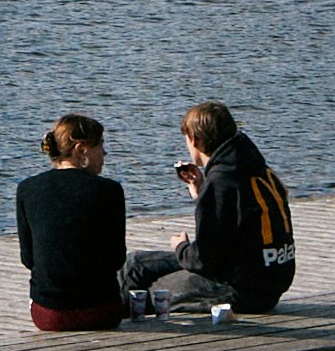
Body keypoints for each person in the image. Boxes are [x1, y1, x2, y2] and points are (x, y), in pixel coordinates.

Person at [120, 102, 297, 317]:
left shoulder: (222, 181)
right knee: (136, 263)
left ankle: (108, 322)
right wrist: (202, 193)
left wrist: (181, 247)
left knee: (149, 293)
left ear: (195, 140)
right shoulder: (254, 167)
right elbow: (234, 223)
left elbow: (202, 259)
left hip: (241, 289)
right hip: (269, 278)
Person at [17, 114, 128, 330]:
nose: (105, 153)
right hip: (101, 311)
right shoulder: (109, 190)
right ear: (81, 150)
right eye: (100, 145)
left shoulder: (27, 189)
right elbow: (116, 259)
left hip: (48, 315)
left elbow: (28, 259)